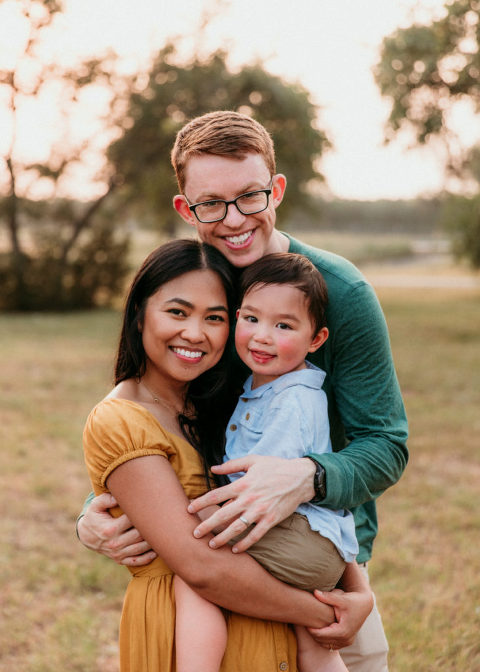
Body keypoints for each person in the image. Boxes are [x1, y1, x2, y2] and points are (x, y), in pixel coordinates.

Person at [78, 111, 409, 671]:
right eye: (211, 203)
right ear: (186, 208)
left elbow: (386, 444)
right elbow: (155, 417)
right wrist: (92, 509)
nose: (234, 219)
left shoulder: (339, 292)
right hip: (214, 556)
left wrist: (305, 477)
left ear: (275, 189)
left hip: (315, 562)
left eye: (250, 197)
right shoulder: (190, 290)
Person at [82, 238, 371, 672]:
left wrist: (359, 591)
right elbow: (199, 566)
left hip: (267, 624)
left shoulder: (222, 402)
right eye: (177, 312)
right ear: (140, 312)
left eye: (214, 318)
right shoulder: (120, 418)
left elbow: (308, 504)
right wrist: (324, 612)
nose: (195, 333)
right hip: (181, 629)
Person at [175, 251, 359, 672]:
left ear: (316, 340)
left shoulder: (293, 400)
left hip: (299, 534)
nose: (262, 336)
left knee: (195, 569)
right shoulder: (264, 386)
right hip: (316, 542)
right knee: (312, 642)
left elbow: (265, 491)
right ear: (238, 317)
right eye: (252, 319)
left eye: (284, 326)